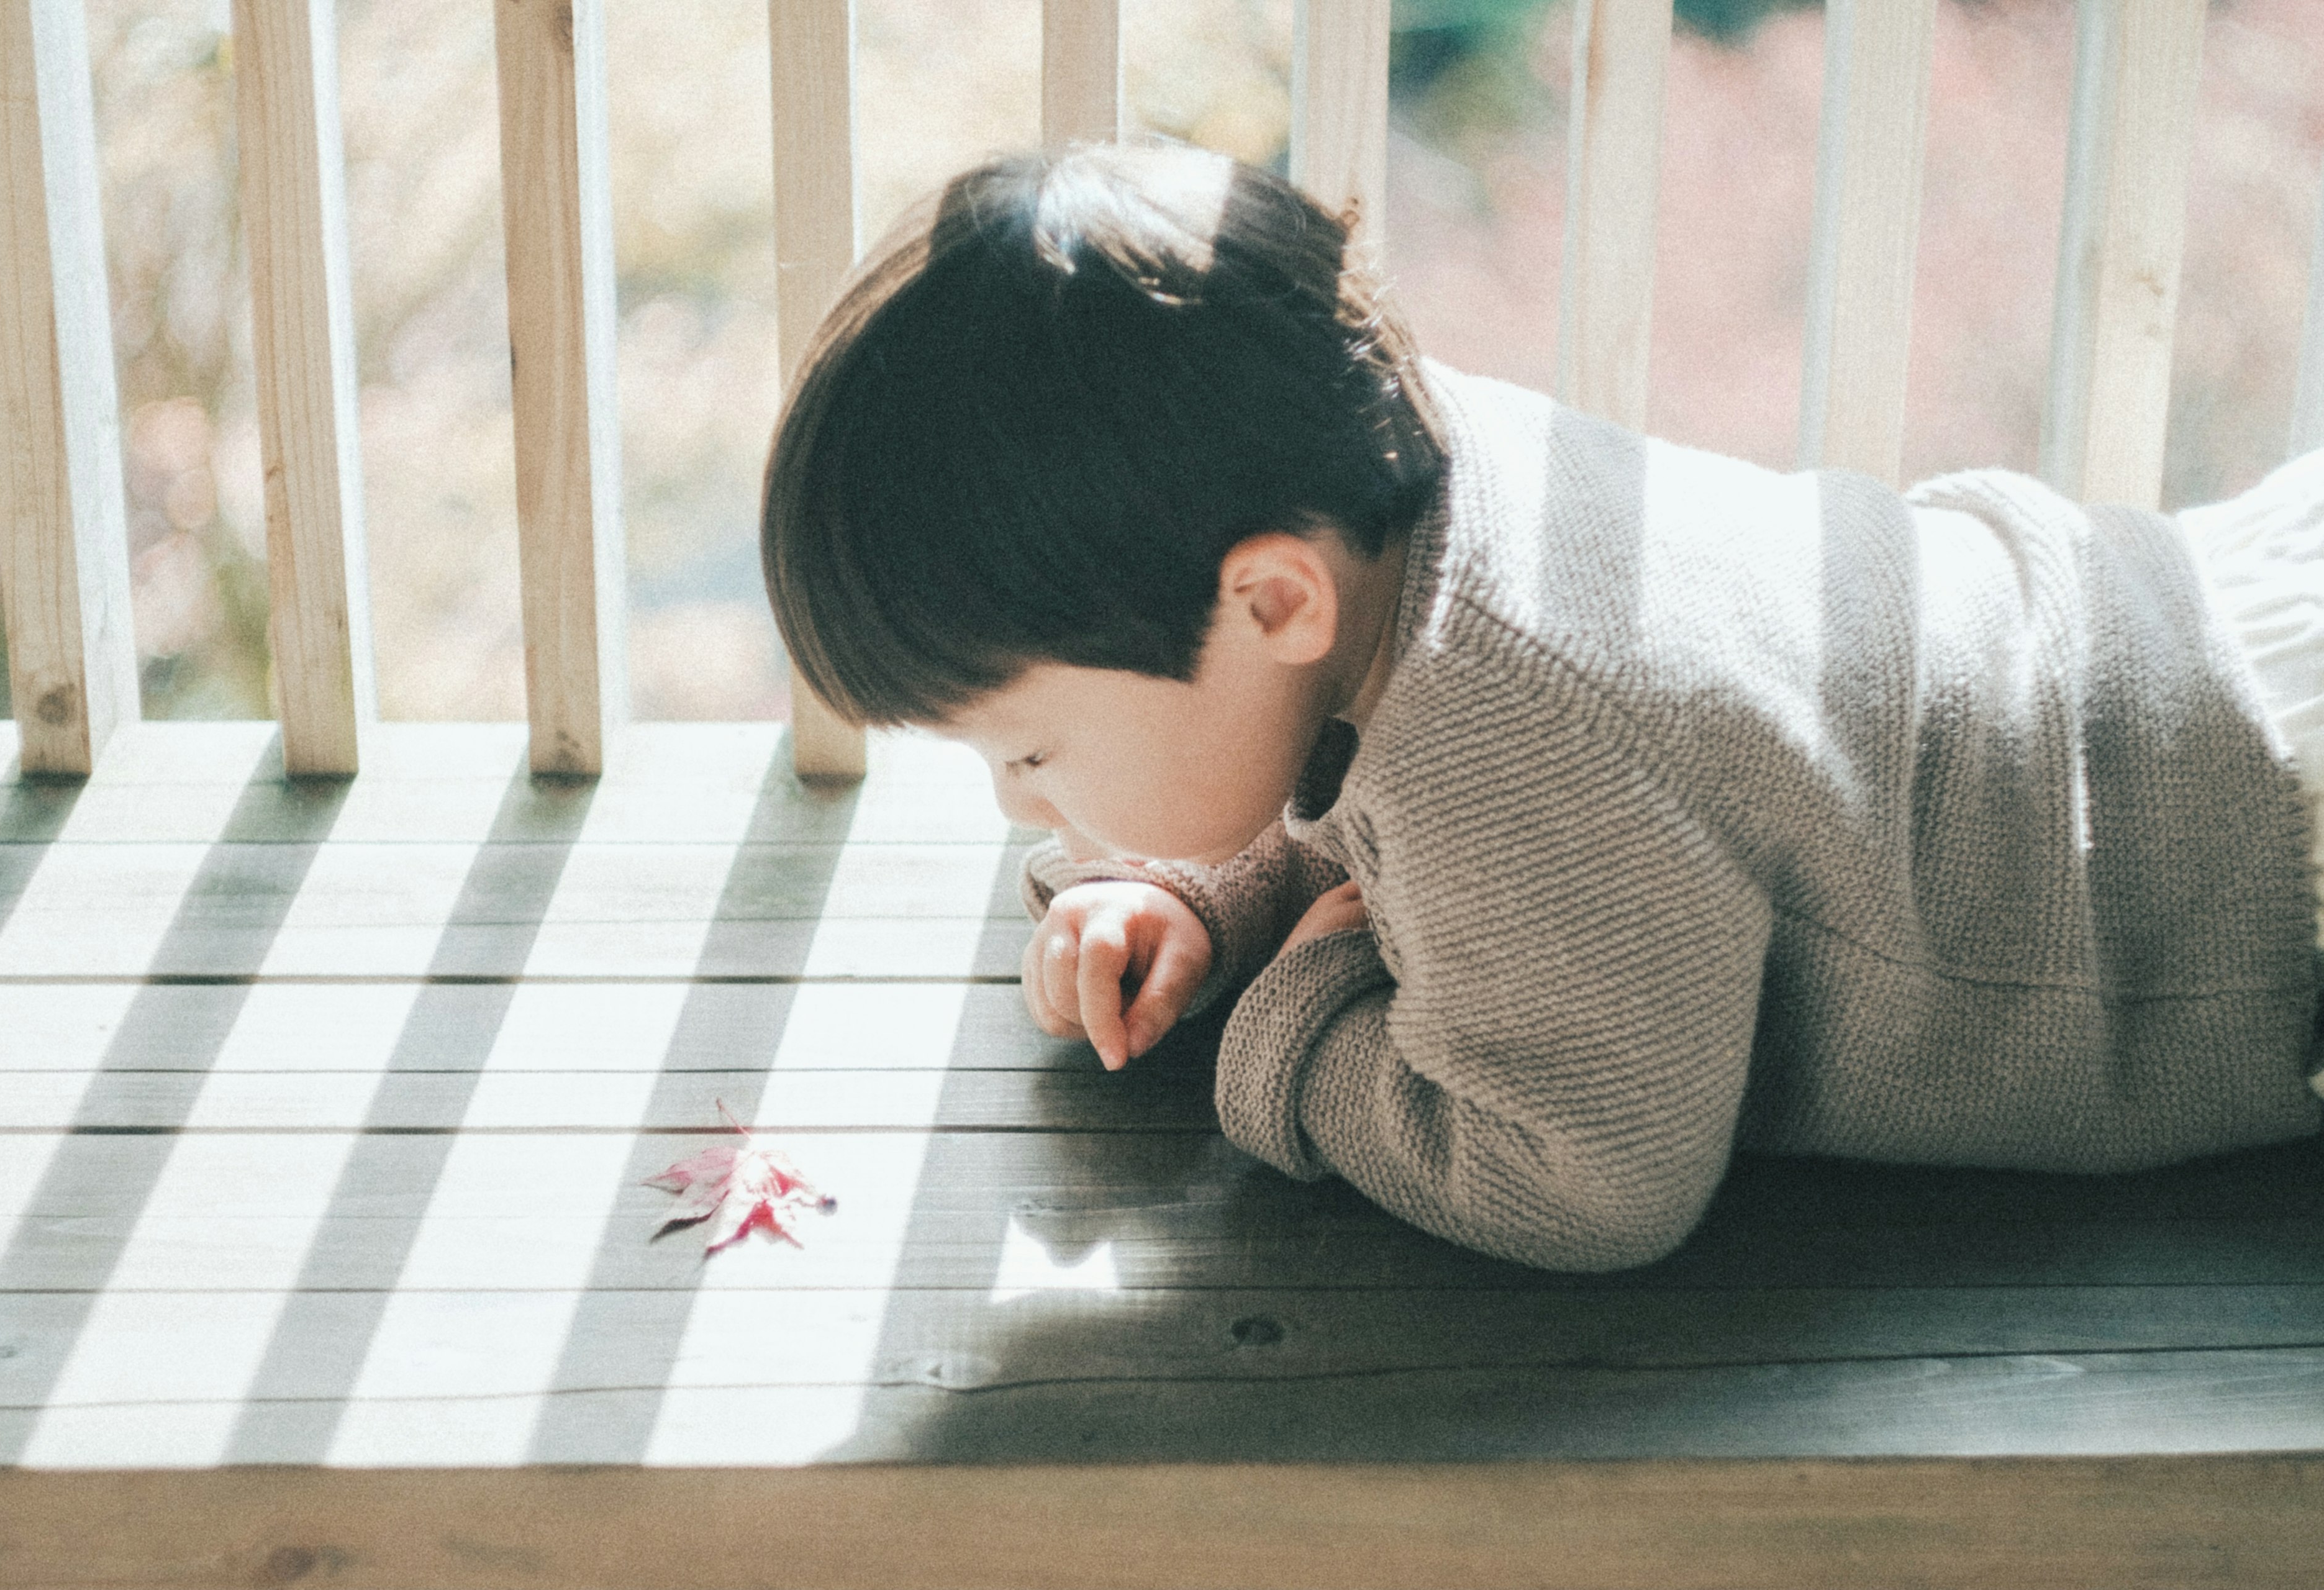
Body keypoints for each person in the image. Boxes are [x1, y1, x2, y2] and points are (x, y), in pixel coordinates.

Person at [760, 140, 2324, 1273]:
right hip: (2190, 626)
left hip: (2242, 898)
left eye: (1030, 746)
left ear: (1271, 600)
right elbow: (1349, 786)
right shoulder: (1420, 488)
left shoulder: (1516, 741)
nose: (1020, 804)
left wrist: (1295, 1031)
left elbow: (1583, 1174)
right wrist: (1204, 888)